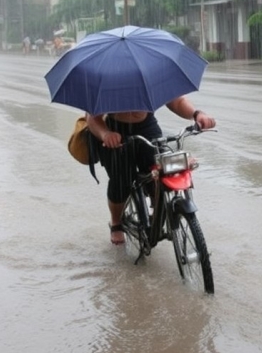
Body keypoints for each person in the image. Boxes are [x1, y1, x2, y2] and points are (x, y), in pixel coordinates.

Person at [85, 99, 216, 245]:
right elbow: (91, 116)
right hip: (115, 131)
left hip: (147, 126)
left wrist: (196, 114)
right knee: (120, 182)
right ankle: (116, 223)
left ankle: (156, 210)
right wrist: (105, 134)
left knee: (162, 172)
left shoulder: (149, 76)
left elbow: (176, 101)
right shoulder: (109, 79)